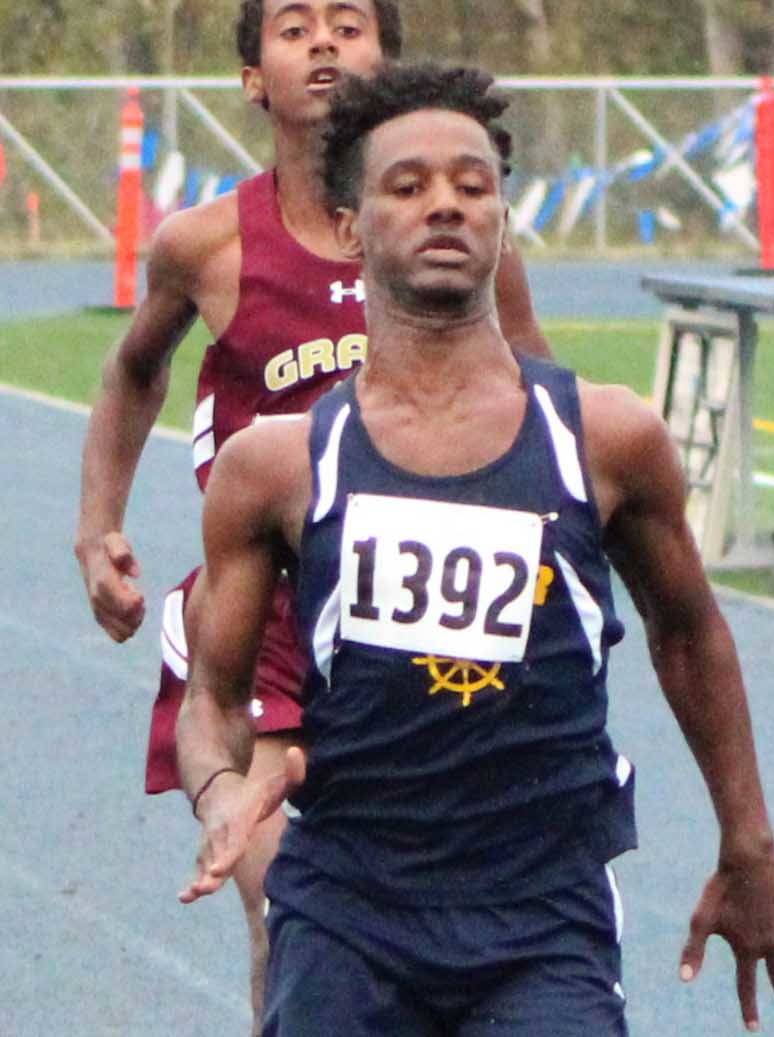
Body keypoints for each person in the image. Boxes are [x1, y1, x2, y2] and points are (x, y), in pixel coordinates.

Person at [174, 62, 774, 1035]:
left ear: (501, 218)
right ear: (351, 223)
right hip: (347, 906)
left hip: (541, 912)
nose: (444, 203)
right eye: (408, 185)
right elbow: (212, 699)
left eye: (471, 184)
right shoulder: (276, 467)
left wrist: (748, 844)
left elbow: (689, 634)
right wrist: (222, 790)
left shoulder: (608, 441)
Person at [72, 0, 549, 1023]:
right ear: (253, 77)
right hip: (266, 617)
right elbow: (131, 370)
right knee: (294, 908)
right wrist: (96, 525)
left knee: (422, 914)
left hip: (412, 616)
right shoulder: (205, 245)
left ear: (388, 61)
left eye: (348, 23)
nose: (325, 42)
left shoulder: (468, 239)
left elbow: (544, 400)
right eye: (295, 27)